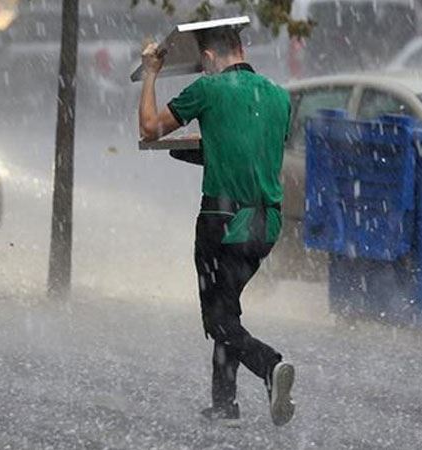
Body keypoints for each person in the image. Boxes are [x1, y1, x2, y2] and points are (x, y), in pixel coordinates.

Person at [138, 24, 296, 426]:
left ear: (208, 58)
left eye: (204, 64)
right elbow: (252, 151)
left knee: (218, 319)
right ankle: (224, 404)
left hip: (222, 222)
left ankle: (269, 365)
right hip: (266, 225)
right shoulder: (279, 96)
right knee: (227, 307)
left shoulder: (208, 90)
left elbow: (149, 128)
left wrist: (152, 72)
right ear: (241, 48)